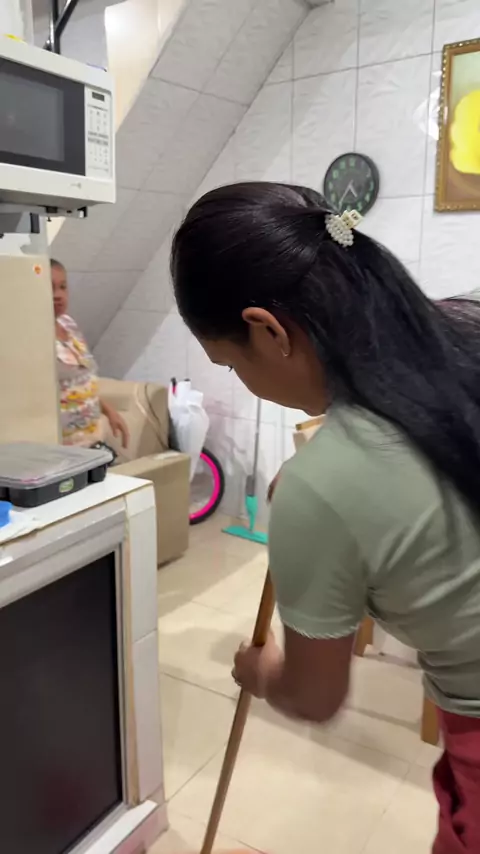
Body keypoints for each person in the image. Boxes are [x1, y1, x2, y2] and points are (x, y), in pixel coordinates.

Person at [171, 182, 480, 854]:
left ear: (268, 331)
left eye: (230, 362)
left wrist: (260, 671)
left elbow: (314, 697)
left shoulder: (322, 487)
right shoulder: (465, 328)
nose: (240, 377)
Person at [51, 259, 129, 451]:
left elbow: (81, 380)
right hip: (63, 447)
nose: (58, 295)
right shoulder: (32, 339)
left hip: (92, 438)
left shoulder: (68, 324)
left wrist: (108, 410)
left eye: (63, 287)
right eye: (50, 288)